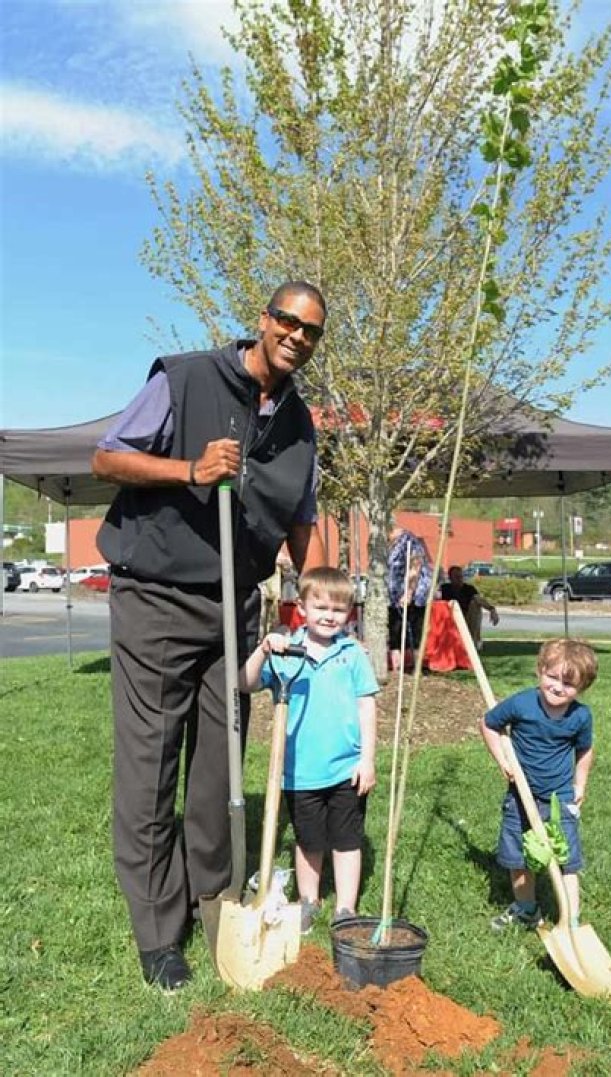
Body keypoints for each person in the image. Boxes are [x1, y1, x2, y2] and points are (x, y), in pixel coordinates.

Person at [91, 281, 328, 990]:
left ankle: (214, 901)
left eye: (311, 329)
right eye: (287, 320)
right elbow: (107, 457)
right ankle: (159, 934)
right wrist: (190, 469)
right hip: (159, 595)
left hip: (237, 608)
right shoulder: (187, 377)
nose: (296, 334)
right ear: (264, 320)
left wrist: (316, 608)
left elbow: (301, 520)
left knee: (220, 765)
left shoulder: (298, 423)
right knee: (152, 764)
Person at [239, 567, 378, 932]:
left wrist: (367, 760)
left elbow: (367, 706)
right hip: (300, 771)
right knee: (308, 840)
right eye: (321, 608)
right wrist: (264, 648)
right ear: (301, 606)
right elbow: (245, 682)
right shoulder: (286, 652)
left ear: (349, 613)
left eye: (338, 609)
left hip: (346, 768)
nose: (329, 616)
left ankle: (345, 908)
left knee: (348, 840)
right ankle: (309, 900)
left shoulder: (352, 654)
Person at [480, 638, 598, 931]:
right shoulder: (522, 703)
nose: (558, 687)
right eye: (552, 677)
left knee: (566, 861)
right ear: (540, 671)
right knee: (518, 858)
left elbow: (585, 751)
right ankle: (526, 908)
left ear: (582, 688)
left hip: (559, 801)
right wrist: (503, 762)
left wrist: (579, 784)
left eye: (568, 684)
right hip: (520, 797)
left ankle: (570, 920)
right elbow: (488, 724)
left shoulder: (580, 716)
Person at [387, 522, 434, 671]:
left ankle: (417, 666)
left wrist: (409, 592)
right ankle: (397, 666)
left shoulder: (408, 540)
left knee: (414, 629)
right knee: (395, 630)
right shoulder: (386, 544)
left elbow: (416, 566)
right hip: (394, 594)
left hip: (414, 594)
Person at [440, 564, 499, 648]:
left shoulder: (469, 589)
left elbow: (479, 599)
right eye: (456, 577)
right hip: (450, 618)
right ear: (450, 578)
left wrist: (491, 609)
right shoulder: (444, 589)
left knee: (475, 603)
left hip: (467, 617)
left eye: (461, 576)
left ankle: (473, 642)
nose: (460, 579)